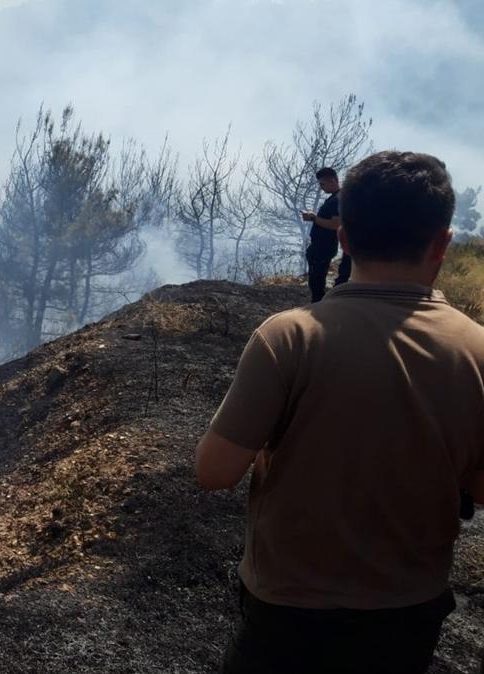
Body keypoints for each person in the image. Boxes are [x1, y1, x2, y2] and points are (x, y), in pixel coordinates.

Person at [194, 151, 484, 673]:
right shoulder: (477, 349)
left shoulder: (289, 336)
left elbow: (214, 472)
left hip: (288, 608)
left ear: (344, 239)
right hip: (408, 612)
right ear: (442, 243)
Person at [302, 167, 352, 302]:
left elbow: (335, 224)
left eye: (322, 184)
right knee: (315, 279)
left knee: (317, 279)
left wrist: (314, 218)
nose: (321, 188)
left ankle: (319, 305)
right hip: (321, 246)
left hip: (323, 247)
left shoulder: (338, 199)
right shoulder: (335, 198)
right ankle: (319, 303)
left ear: (332, 181)